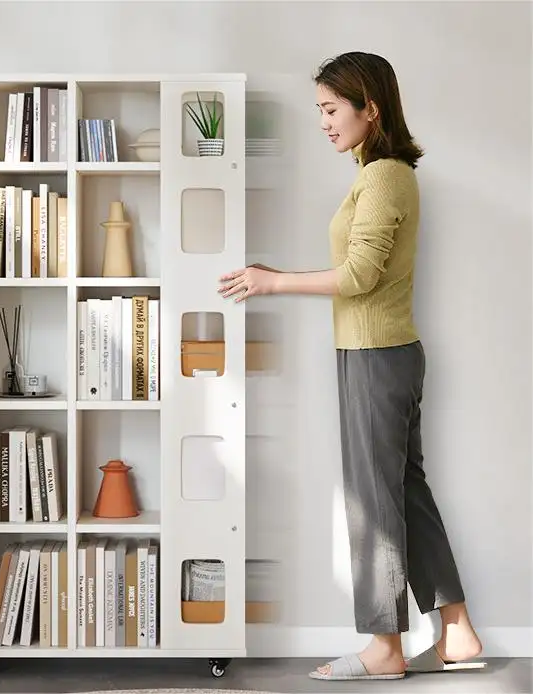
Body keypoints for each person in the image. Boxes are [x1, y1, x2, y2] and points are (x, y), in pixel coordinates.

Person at [218, 51, 486, 681]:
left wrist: (272, 285)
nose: (323, 122)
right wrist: (277, 275)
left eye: (332, 109)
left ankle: (386, 647)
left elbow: (361, 276)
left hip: (375, 356)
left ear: (371, 107)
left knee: (373, 502)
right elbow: (364, 269)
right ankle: (457, 632)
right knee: (403, 492)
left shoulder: (385, 176)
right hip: (382, 353)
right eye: (319, 110)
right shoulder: (377, 174)